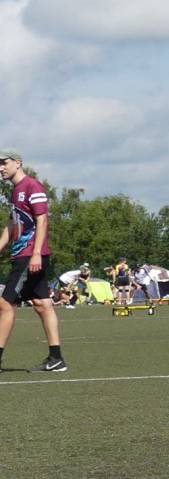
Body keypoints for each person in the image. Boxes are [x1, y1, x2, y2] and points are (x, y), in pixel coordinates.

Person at [0, 149, 67, 372]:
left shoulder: (32, 186)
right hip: (23, 254)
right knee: (42, 304)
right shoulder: (15, 191)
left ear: (18, 163)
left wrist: (37, 252)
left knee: (5, 304)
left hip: (29, 255)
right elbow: (12, 224)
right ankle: (56, 359)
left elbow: (42, 220)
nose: (1, 168)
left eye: (4, 163)